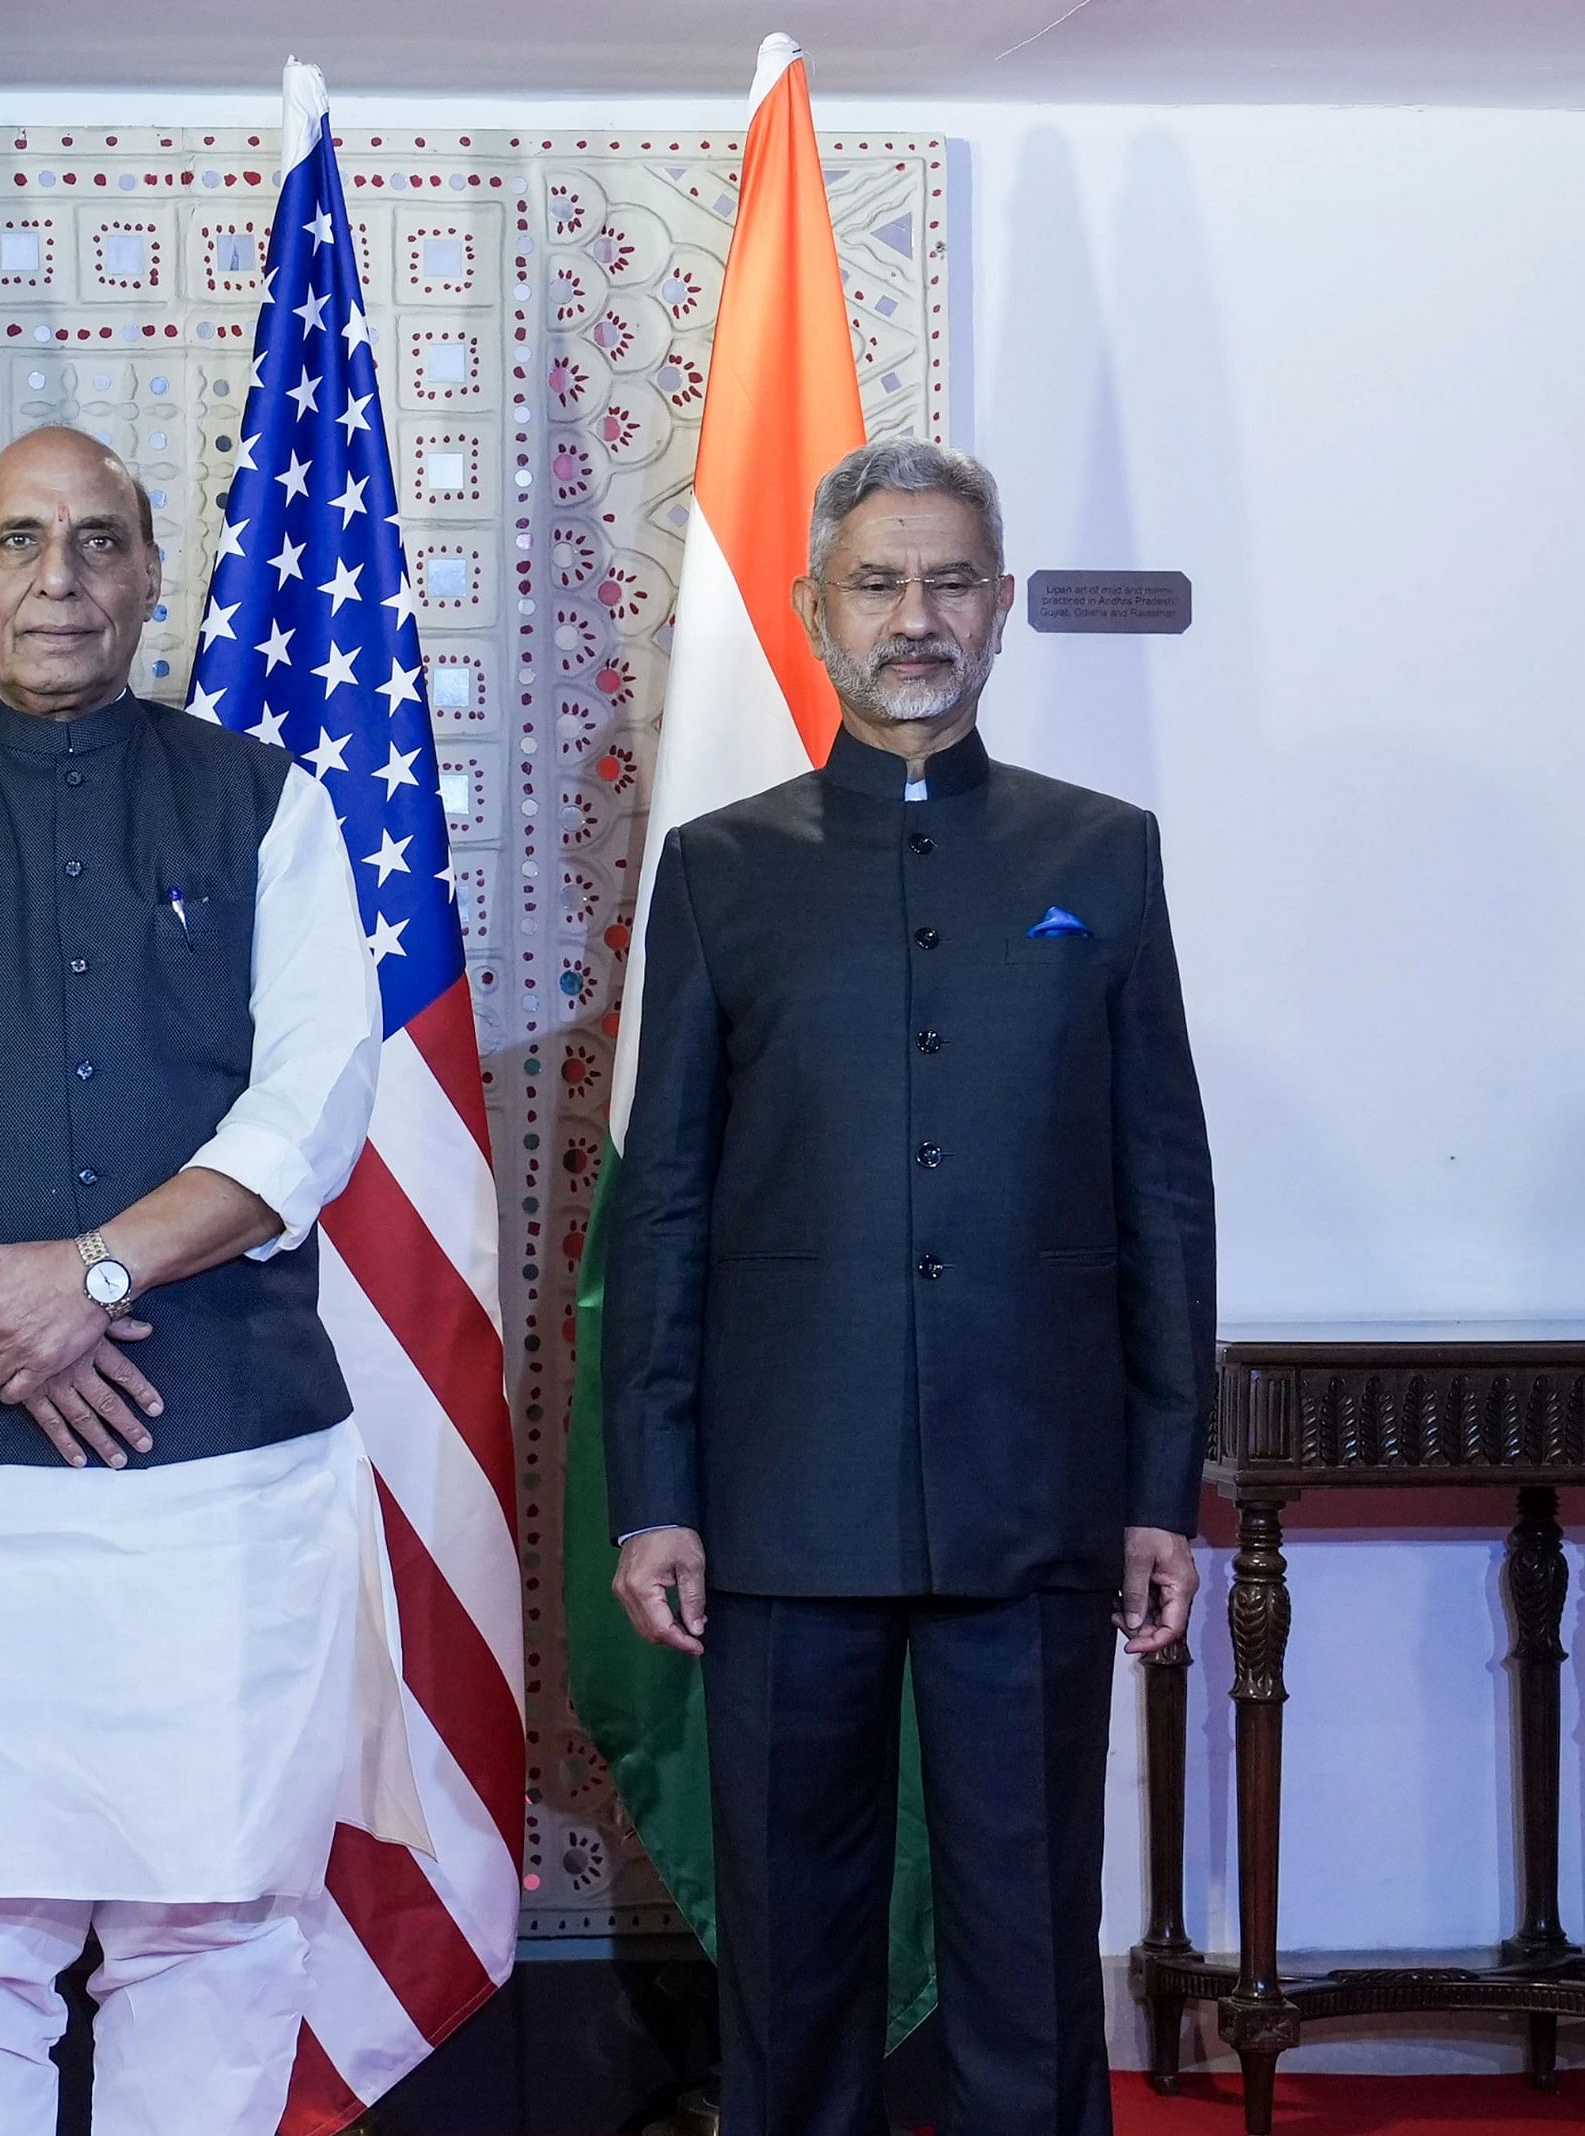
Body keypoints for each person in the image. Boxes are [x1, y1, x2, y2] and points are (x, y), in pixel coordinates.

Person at [0, 423, 425, 2136]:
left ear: (149, 578)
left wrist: (94, 1275)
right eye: (22, 543)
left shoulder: (267, 808)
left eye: (100, 542)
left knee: (212, 1923)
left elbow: (311, 1104)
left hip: (220, 1469)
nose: (61, 580)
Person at [602, 439, 1216, 2136]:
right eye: (877, 582)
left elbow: (1160, 1185)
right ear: (813, 613)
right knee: (792, 1974)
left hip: (1034, 1494)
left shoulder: (1101, 856)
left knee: (1030, 1962)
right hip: (782, 1506)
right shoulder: (725, 869)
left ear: (1001, 609)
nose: (915, 615)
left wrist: (1158, 1488)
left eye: (950, 580)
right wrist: (654, 1494)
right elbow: (663, 1203)